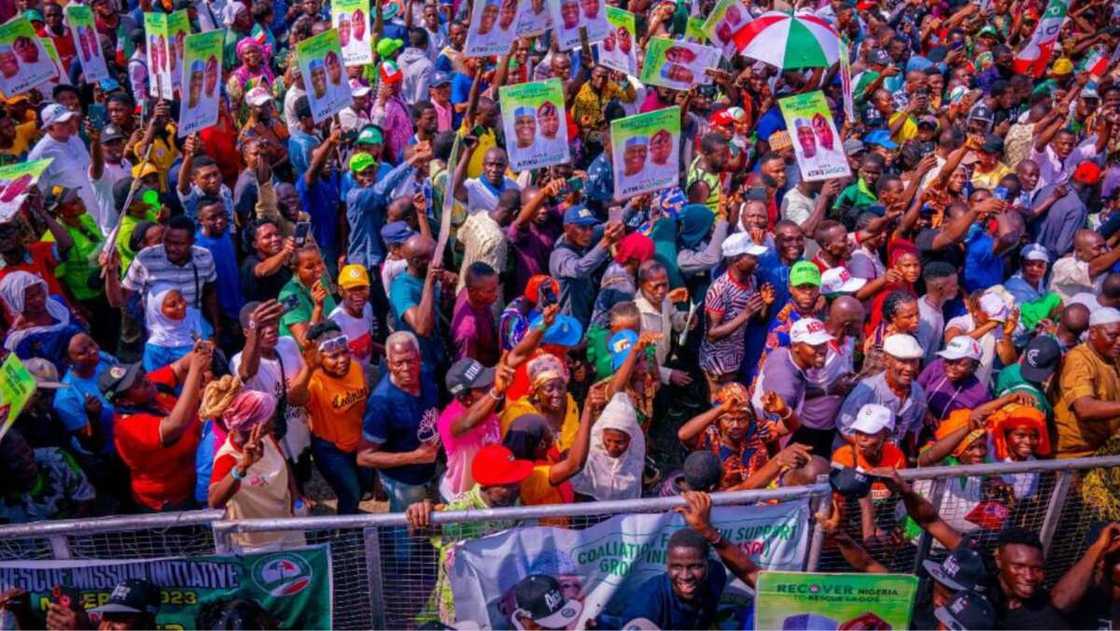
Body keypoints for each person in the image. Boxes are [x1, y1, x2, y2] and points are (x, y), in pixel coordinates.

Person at [101, 342, 212, 511]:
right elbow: (176, 424)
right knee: (190, 536)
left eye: (140, 375)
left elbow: (180, 366)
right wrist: (196, 371)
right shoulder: (128, 426)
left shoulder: (149, 387)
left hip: (193, 478)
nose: (145, 380)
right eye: (136, 384)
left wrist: (199, 353)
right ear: (124, 401)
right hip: (169, 500)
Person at [287, 321, 371, 514]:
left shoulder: (356, 368)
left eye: (344, 353)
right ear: (319, 358)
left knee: (364, 485)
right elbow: (293, 399)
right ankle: (347, 535)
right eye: (333, 356)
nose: (342, 360)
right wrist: (308, 368)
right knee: (350, 492)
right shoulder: (315, 381)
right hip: (331, 449)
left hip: (358, 441)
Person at [1053, 307, 1120, 459]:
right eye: (1113, 336)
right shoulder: (1078, 360)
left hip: (1103, 449)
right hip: (1075, 456)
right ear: (1093, 333)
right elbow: (1085, 408)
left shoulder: (1112, 356)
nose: (1119, 342)